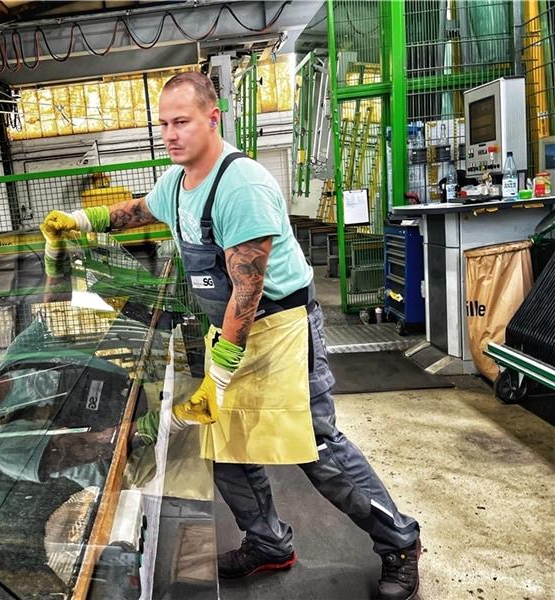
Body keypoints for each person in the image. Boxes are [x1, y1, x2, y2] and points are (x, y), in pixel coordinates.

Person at [40, 72, 421, 600]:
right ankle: (267, 542)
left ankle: (399, 542)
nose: (170, 134)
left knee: (316, 448)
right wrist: (78, 220)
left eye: (182, 122)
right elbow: (140, 211)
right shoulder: (176, 183)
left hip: (281, 330)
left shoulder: (240, 185)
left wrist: (216, 372)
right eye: (164, 124)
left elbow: (248, 291)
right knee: (223, 442)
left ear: (212, 118)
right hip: (236, 333)